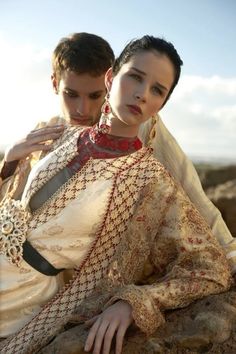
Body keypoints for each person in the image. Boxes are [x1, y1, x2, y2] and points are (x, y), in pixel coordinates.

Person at [0, 35, 232, 354]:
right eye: (135, 77)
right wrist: (10, 163)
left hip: (23, 296)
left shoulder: (151, 178)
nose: (141, 94)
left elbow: (210, 267)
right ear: (112, 77)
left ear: (161, 104)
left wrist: (133, 300)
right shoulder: (66, 132)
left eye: (156, 90)